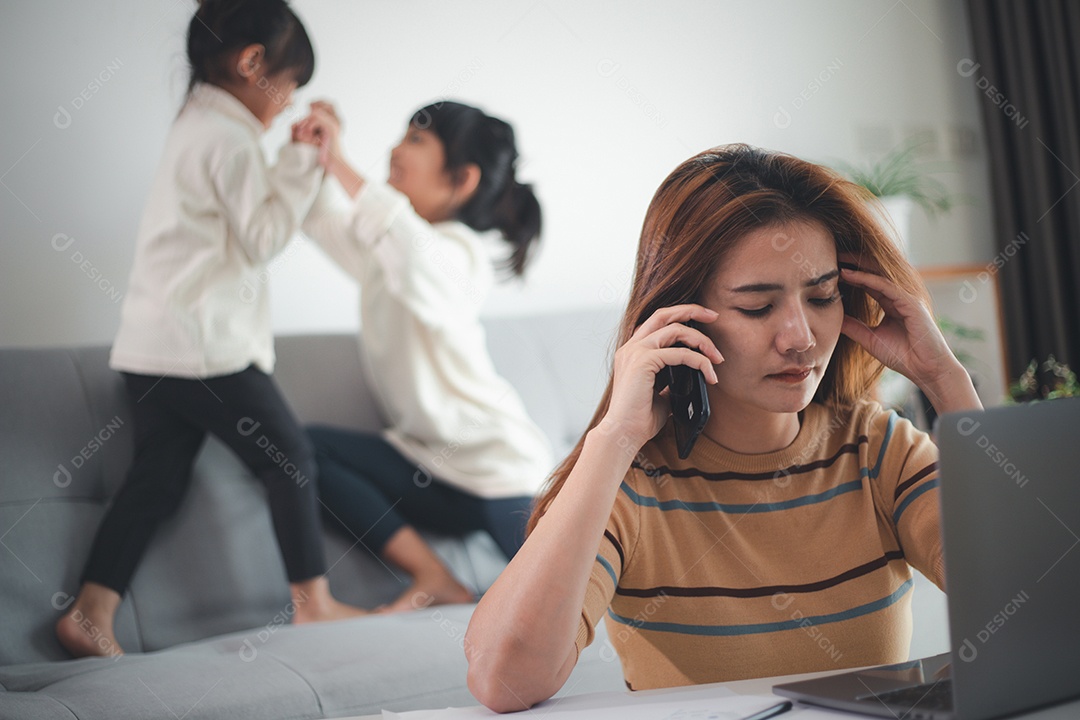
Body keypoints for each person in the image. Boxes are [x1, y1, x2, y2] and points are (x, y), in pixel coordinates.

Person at [463, 144, 983, 711]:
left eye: (822, 296)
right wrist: (614, 439)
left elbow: (1035, 606)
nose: (800, 336)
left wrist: (947, 383)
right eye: (758, 307)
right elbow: (505, 681)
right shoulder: (631, 486)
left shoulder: (877, 451)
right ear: (680, 318)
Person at [56, 0, 364, 659]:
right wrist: (308, 161)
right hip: (202, 349)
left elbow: (245, 217)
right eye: (289, 87)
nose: (288, 105)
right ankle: (314, 604)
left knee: (157, 480)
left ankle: (90, 610)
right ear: (253, 64)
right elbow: (262, 236)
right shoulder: (228, 138)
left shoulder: (196, 122)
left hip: (151, 348)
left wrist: (290, 159)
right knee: (289, 457)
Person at [291, 100, 553, 613]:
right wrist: (313, 154)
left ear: (462, 179)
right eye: (402, 135)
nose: (394, 149)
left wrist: (342, 163)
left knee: (557, 604)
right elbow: (321, 219)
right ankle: (434, 577)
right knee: (303, 451)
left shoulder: (459, 255)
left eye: (416, 140)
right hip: (429, 466)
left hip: (502, 470)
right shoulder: (383, 252)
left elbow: (409, 249)